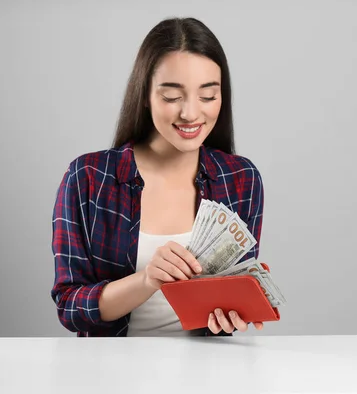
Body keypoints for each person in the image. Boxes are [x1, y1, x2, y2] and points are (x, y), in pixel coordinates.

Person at [50, 17, 265, 337]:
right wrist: (147, 280)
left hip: (209, 372)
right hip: (110, 373)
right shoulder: (88, 178)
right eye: (172, 96)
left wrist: (234, 312)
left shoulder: (241, 179)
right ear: (145, 94)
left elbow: (228, 305)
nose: (191, 113)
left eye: (208, 96)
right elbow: (70, 308)